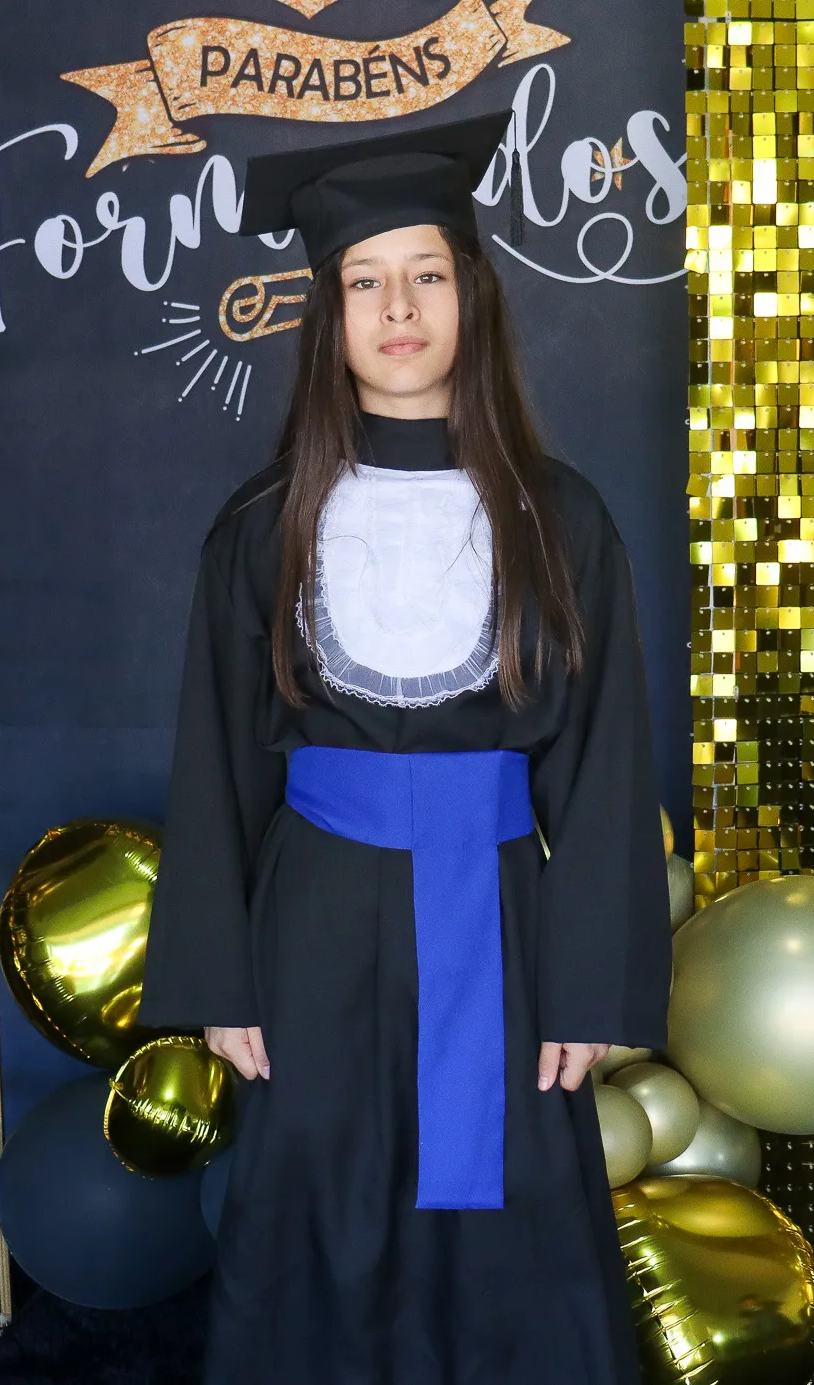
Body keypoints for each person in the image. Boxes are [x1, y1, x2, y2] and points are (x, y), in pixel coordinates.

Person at [138, 110, 672, 1385]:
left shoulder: (561, 517)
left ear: (470, 298)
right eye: (363, 281)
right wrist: (219, 977)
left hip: (500, 913)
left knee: (504, 1211)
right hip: (314, 914)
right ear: (325, 316)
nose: (397, 308)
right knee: (319, 1185)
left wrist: (589, 989)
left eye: (426, 274)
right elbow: (216, 760)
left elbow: (604, 765)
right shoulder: (264, 525)